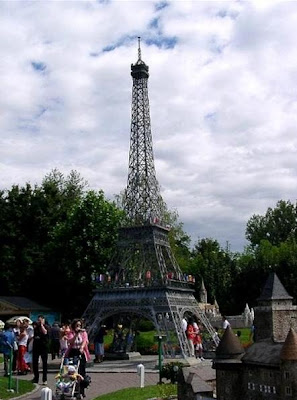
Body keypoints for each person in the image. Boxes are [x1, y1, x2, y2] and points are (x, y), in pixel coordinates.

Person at [65, 318, 91, 398]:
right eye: (77, 325)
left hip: (81, 352)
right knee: (72, 370)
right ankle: (72, 387)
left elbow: (85, 341)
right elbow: (70, 341)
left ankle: (81, 390)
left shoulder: (83, 333)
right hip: (73, 352)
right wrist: (76, 334)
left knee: (81, 371)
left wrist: (82, 347)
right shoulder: (71, 333)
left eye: (79, 325)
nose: (78, 327)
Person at [32, 315, 50, 385]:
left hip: (43, 347)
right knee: (35, 363)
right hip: (36, 346)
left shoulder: (46, 326)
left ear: (43, 320)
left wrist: (42, 325)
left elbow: (45, 332)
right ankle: (36, 378)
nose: (39, 322)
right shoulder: (36, 327)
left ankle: (44, 379)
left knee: (44, 363)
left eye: (40, 320)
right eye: (38, 320)